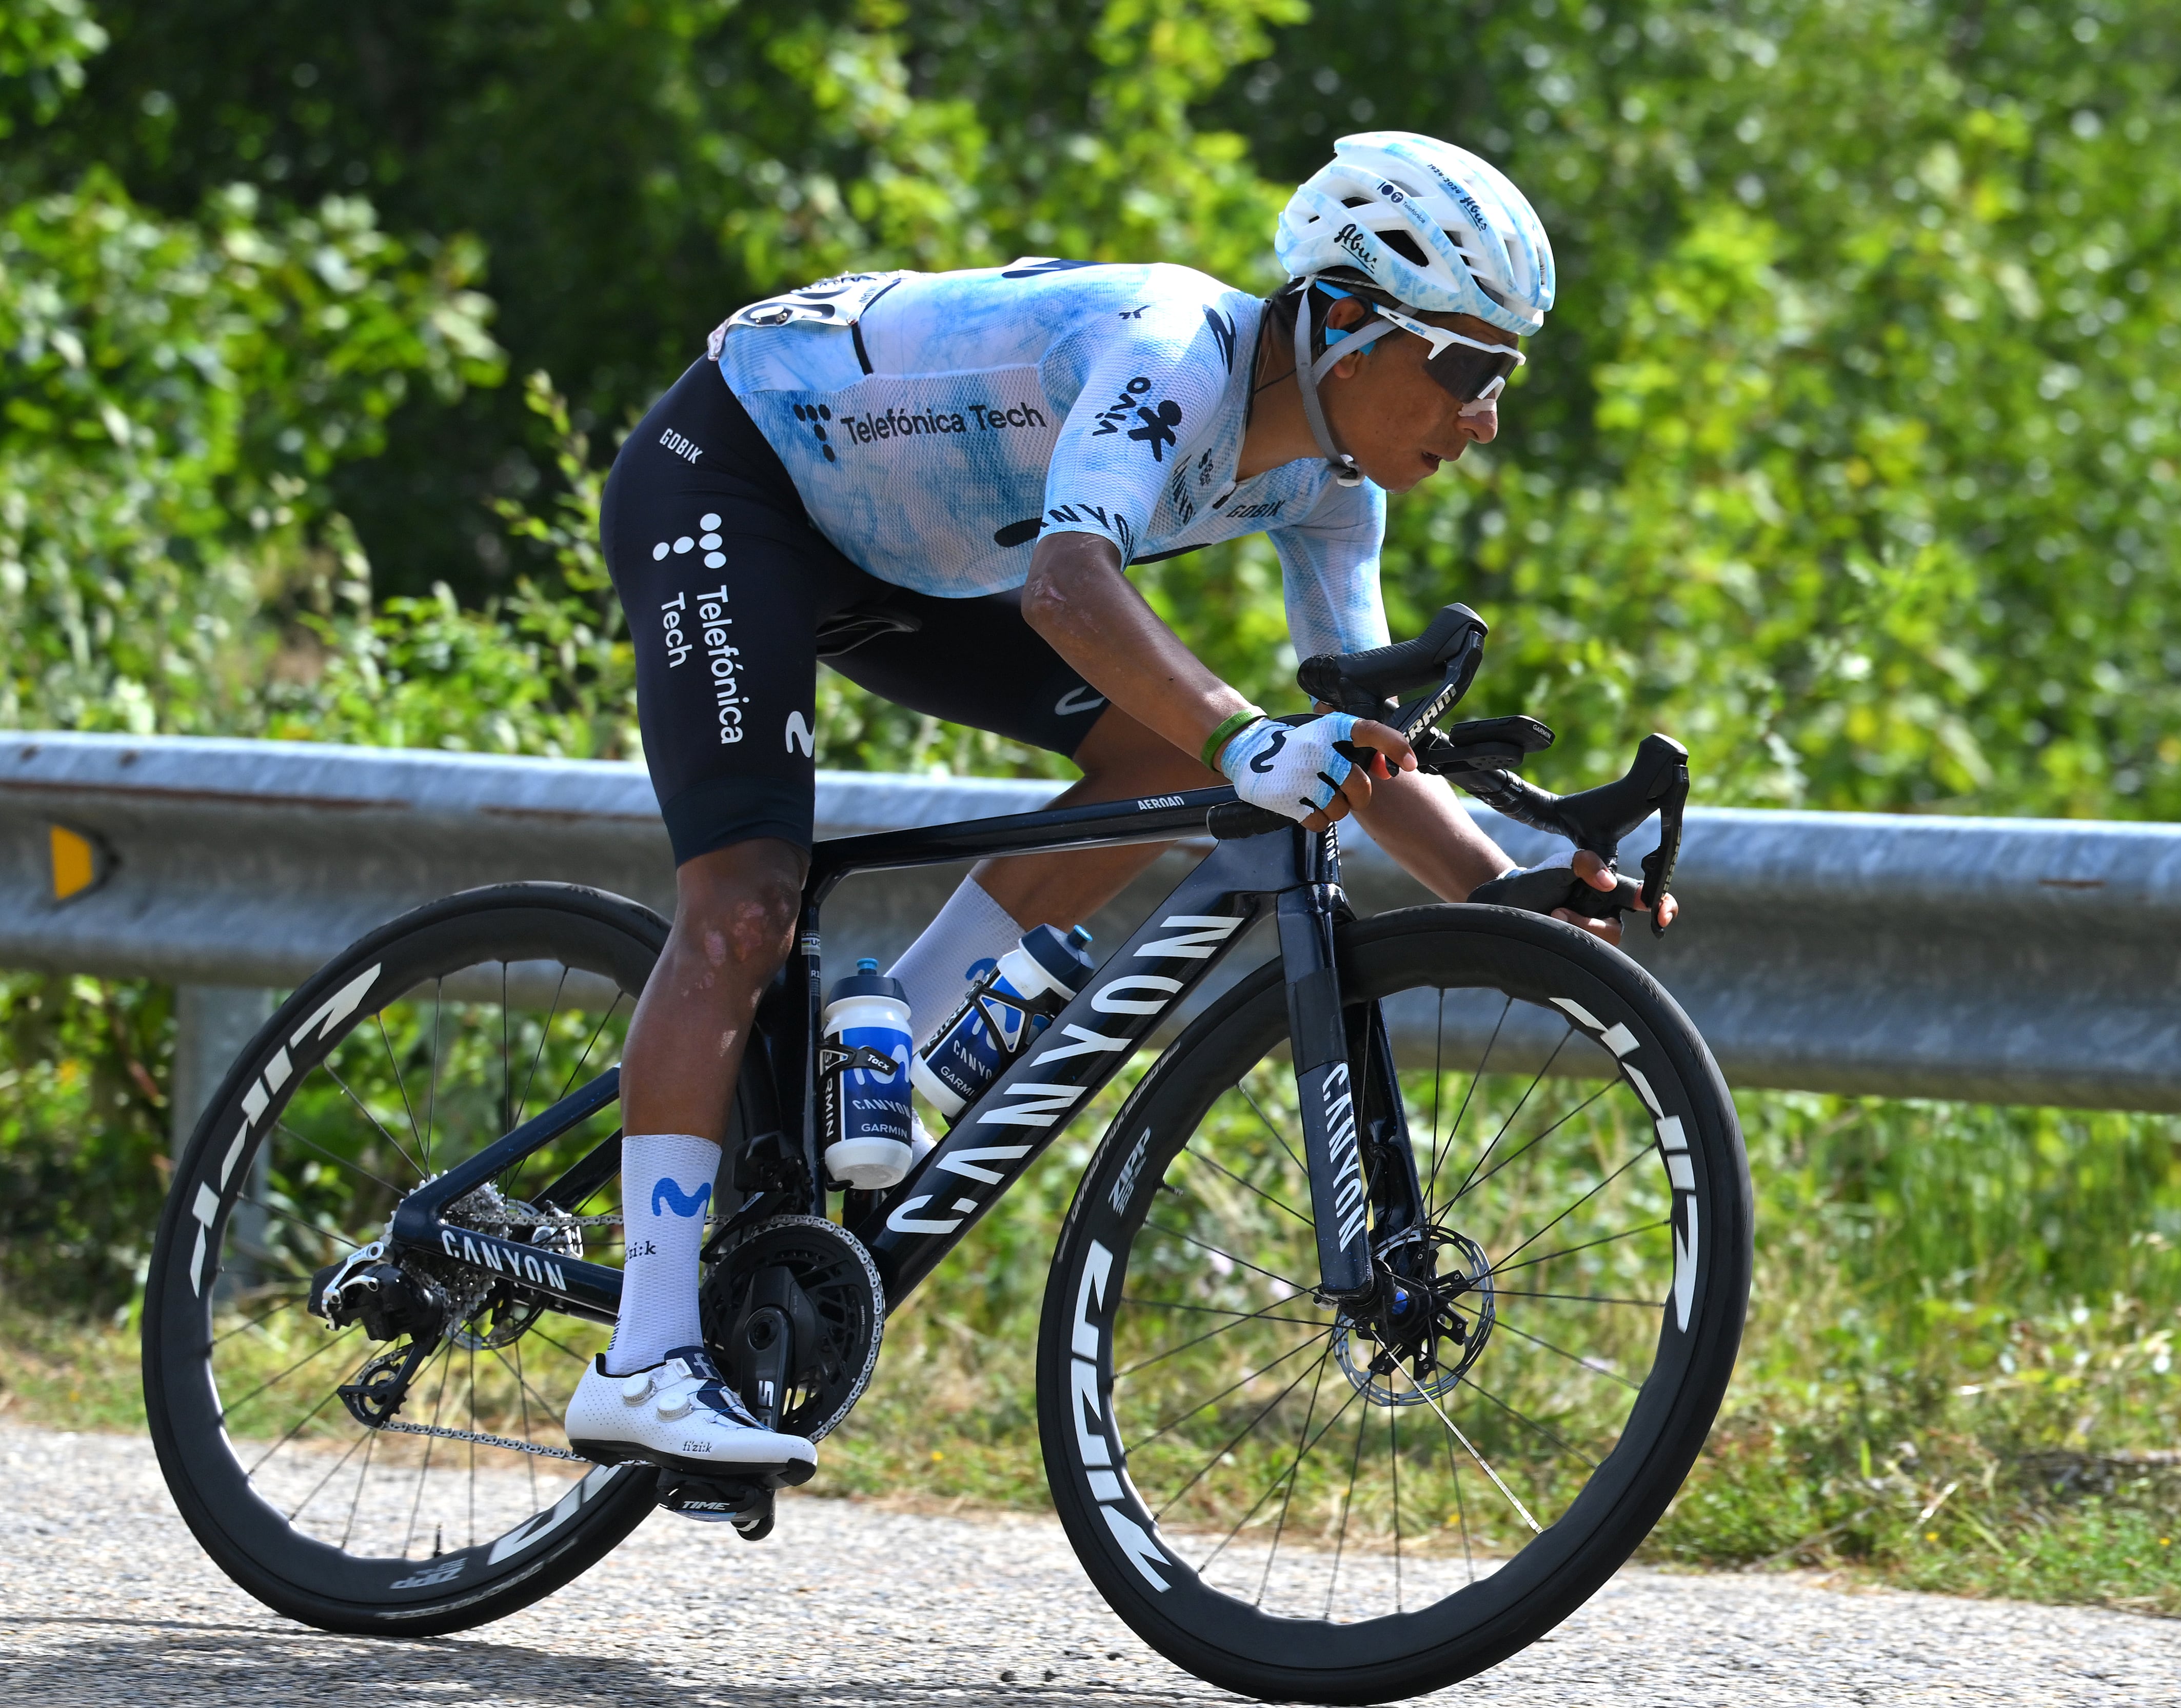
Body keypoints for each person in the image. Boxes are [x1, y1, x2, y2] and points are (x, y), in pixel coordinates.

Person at [562, 131, 1666, 1482]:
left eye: (1504, 375)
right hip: (734, 477)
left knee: (1177, 761)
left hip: (910, 556)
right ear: (1340, 324)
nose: (1486, 416)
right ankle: (646, 1357)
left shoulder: (1331, 492)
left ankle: (890, 1052)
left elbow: (1371, 749)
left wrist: (1514, 893)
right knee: (745, 905)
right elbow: (1068, 590)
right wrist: (1249, 733)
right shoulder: (1171, 352)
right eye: (1466, 367)